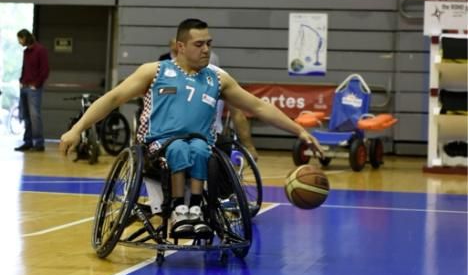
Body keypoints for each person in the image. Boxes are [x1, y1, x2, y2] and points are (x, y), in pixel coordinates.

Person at [60, 18, 322, 236]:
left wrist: (299, 131)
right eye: (199, 44)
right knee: (178, 149)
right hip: (156, 149)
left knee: (198, 149)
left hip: (199, 147)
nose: (206, 49)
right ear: (180, 47)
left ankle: (194, 210)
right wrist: (77, 128)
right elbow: (113, 98)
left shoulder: (218, 79)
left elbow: (259, 107)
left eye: (209, 43)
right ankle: (176, 209)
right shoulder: (154, 72)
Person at [15, 29, 50, 152]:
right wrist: (21, 80)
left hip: (34, 88)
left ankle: (39, 143)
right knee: (26, 116)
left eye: (20, 39)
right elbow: (25, 68)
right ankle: (28, 142)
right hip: (24, 87)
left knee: (35, 116)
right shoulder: (26, 52)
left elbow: (45, 70)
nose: (19, 42)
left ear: (25, 37)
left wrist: (37, 84)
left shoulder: (40, 50)